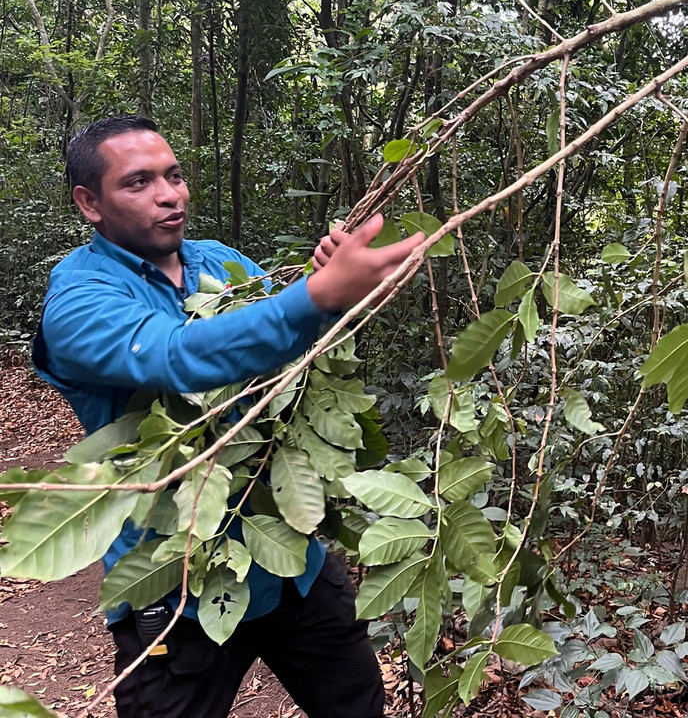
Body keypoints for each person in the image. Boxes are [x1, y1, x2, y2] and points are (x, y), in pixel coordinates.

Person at [32, 115, 423, 718]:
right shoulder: (78, 299)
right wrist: (314, 296)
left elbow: (284, 347)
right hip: (177, 586)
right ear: (90, 203)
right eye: (138, 183)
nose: (169, 194)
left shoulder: (220, 261)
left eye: (174, 175)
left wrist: (327, 289)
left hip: (291, 558)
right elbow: (176, 355)